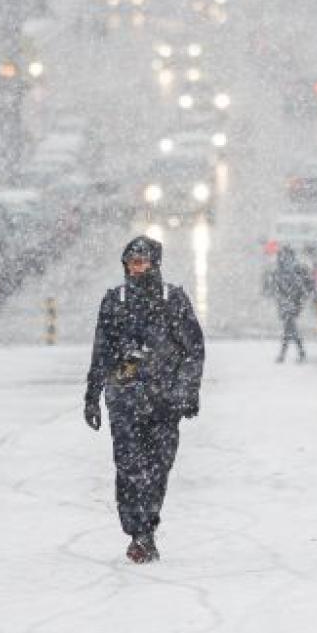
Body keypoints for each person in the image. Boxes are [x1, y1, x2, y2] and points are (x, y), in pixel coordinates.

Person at [84, 236, 205, 563]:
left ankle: (146, 527)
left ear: (155, 264)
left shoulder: (174, 300)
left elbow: (193, 352)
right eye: (131, 262)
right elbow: (101, 353)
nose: (136, 268)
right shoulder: (115, 301)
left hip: (165, 402)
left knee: (158, 468)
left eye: (142, 262)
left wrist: (187, 392)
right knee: (128, 468)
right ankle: (138, 532)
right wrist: (92, 396)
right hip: (124, 399)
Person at [267, 246, 314, 363]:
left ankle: (288, 354)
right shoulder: (288, 270)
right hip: (289, 303)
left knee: (290, 328)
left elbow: (302, 287)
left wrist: (294, 297)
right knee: (290, 329)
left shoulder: (290, 271)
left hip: (289, 303)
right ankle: (296, 353)